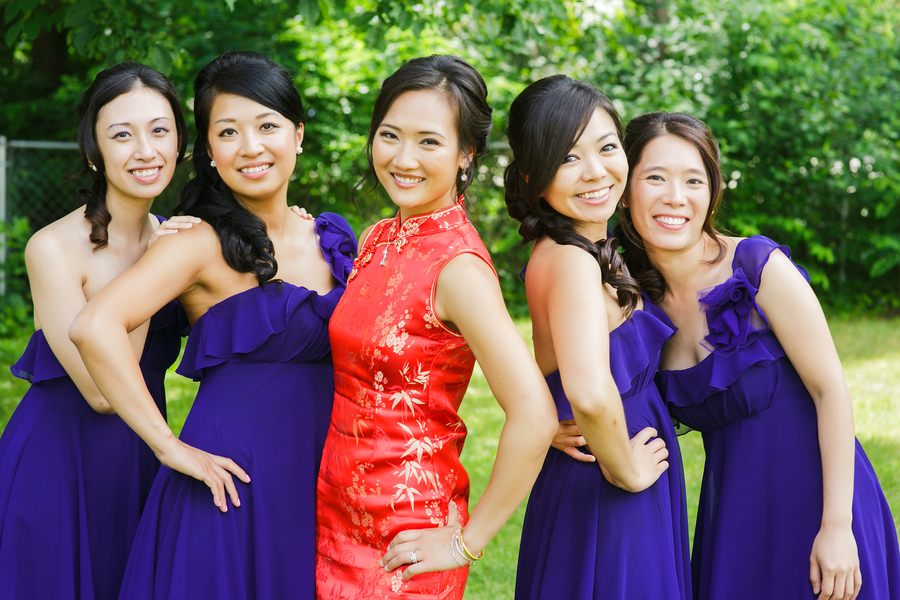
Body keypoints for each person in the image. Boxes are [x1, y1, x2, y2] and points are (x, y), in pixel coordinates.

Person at [69, 51, 356, 600]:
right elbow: (94, 326)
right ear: (207, 151)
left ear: (297, 135)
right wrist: (167, 446)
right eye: (228, 131)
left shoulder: (331, 237)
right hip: (233, 483)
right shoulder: (196, 242)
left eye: (267, 125)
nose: (250, 147)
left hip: (323, 477)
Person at [615, 111, 900, 600]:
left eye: (693, 180)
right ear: (625, 190)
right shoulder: (632, 301)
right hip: (733, 518)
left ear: (712, 192)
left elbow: (830, 390)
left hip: (821, 504)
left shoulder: (757, 265)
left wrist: (837, 525)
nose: (675, 197)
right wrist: (554, 426)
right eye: (655, 178)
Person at [314, 55, 558, 599]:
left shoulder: (460, 269)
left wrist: (466, 542)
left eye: (428, 141)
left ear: (465, 154)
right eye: (390, 135)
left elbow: (534, 415)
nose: (404, 158)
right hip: (333, 516)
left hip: (408, 540)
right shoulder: (378, 237)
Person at [0, 62, 188, 600]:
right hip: (61, 467)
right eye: (121, 135)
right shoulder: (53, 248)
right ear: (93, 152)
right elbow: (103, 391)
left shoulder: (179, 237)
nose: (145, 150)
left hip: (145, 458)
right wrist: (155, 268)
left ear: (179, 141)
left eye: (159, 130)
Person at [503, 75, 689, 600]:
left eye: (607, 147)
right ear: (535, 177)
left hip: (608, 456)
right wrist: (625, 469)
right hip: (608, 475)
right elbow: (587, 390)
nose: (595, 171)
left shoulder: (579, 249)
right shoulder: (570, 262)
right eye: (567, 158)